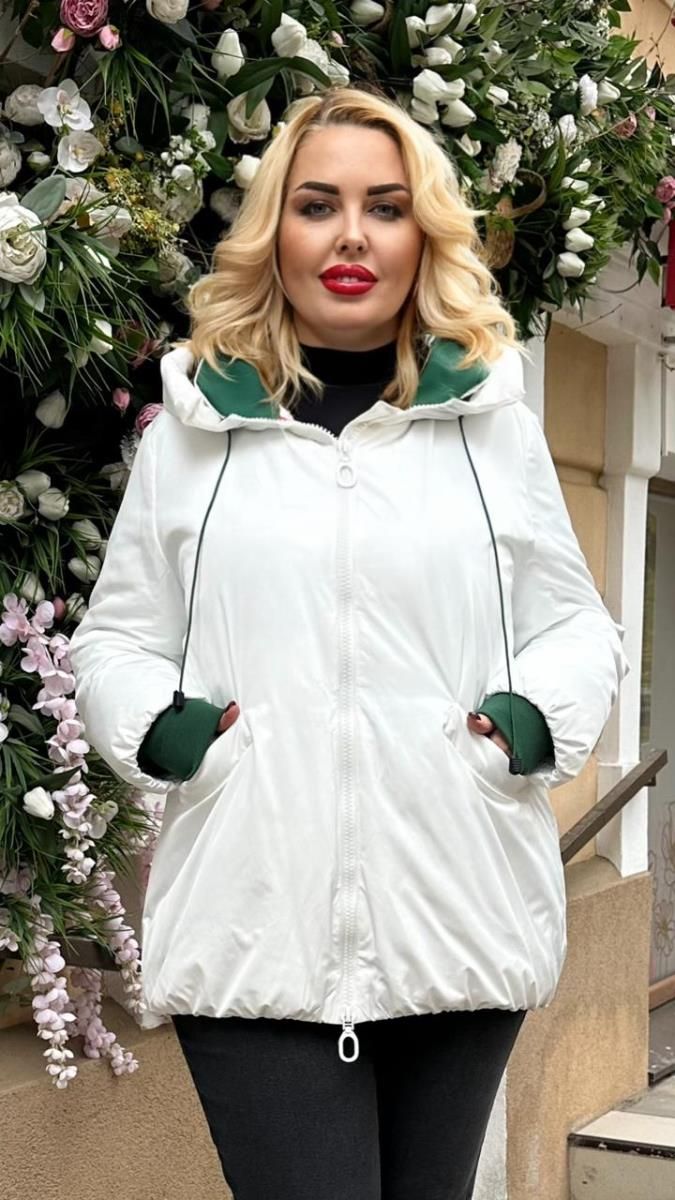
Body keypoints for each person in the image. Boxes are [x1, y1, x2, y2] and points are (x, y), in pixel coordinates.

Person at [69, 85, 629, 1200]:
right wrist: (166, 733)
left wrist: (527, 727)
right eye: (318, 205)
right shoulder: (194, 437)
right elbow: (118, 637)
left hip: (456, 906)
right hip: (253, 919)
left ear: (424, 236)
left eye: (385, 206)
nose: (352, 236)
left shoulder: (493, 429)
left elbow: (574, 625)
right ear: (274, 232)